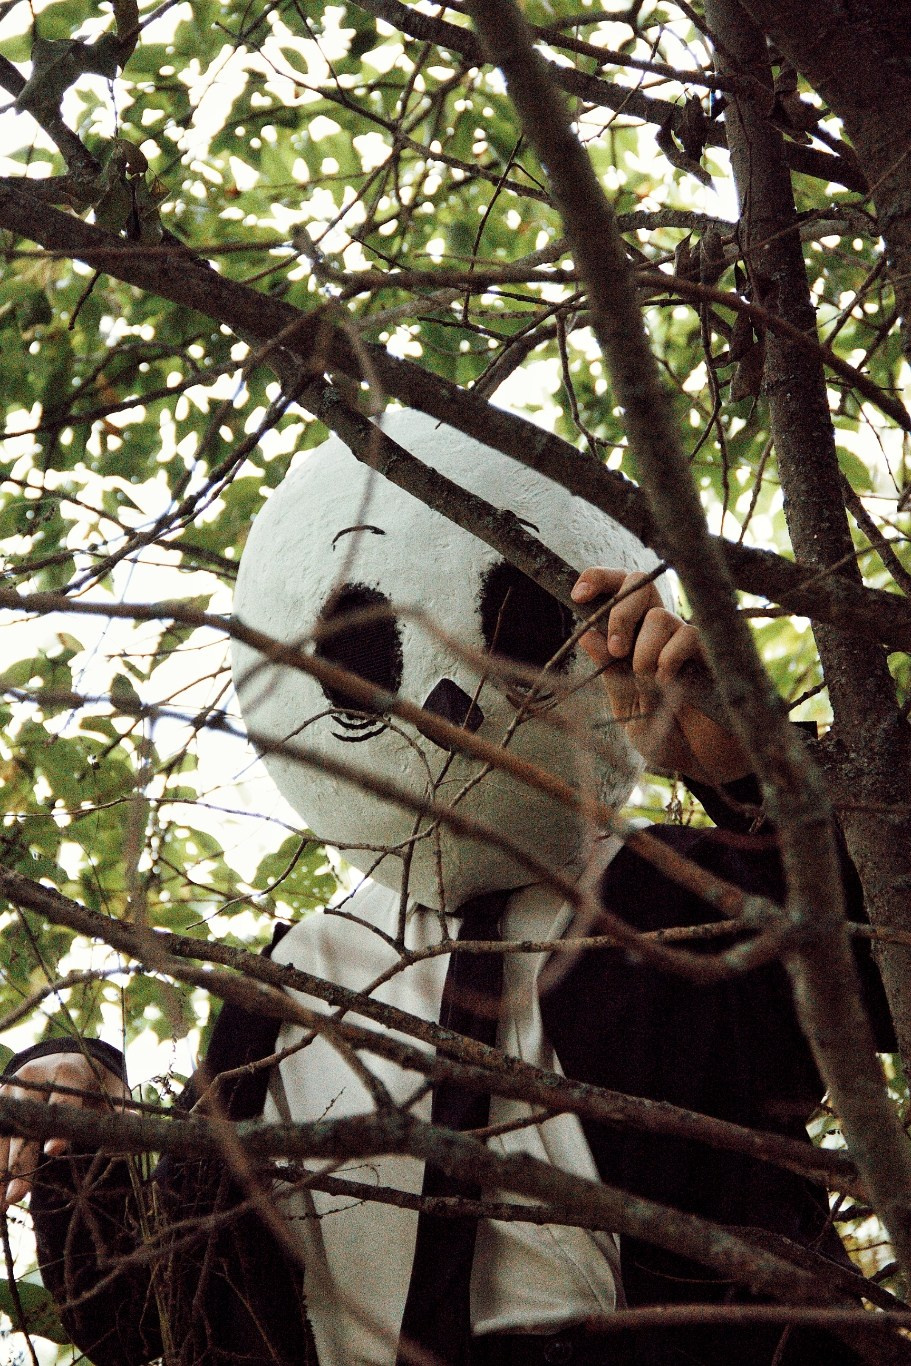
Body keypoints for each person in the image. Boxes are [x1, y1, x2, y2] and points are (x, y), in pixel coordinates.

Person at [0, 415, 896, 1366]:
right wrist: (74, 1136)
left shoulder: (682, 891)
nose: (448, 700)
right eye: (355, 645)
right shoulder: (282, 991)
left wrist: (751, 780)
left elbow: (885, 966)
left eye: (524, 626)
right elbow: (146, 1319)